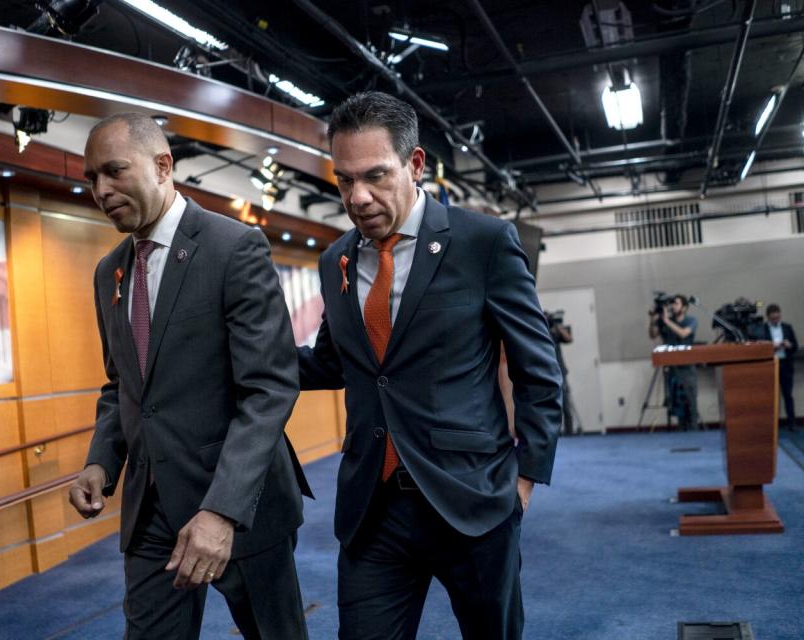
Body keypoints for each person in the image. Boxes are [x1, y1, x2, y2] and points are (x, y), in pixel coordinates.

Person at [297, 91, 563, 640]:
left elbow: (538, 366)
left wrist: (526, 480)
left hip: (473, 498)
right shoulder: (336, 260)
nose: (359, 196)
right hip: (373, 509)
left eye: (375, 175)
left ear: (415, 164)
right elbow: (332, 362)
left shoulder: (483, 242)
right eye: (344, 180)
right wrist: (238, 355)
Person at [68, 113, 312, 640]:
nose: (101, 190)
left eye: (113, 171)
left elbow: (268, 389)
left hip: (239, 501)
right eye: (91, 178)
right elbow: (123, 386)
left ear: (162, 166)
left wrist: (223, 512)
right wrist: (101, 461)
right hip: (150, 508)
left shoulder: (234, 248)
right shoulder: (108, 271)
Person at [648, 294, 699, 430]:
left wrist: (665, 320)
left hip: (687, 368)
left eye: (676, 303)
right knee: (677, 406)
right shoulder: (666, 321)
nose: (673, 306)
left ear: (685, 307)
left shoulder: (691, 320)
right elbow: (653, 334)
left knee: (691, 404)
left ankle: (695, 432)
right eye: (672, 304)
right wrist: (653, 320)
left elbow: (683, 333)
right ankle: (681, 432)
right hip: (671, 369)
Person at [764, 303, 797, 430]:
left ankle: (792, 422)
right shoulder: (763, 329)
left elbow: (795, 345)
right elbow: (759, 347)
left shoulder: (787, 327)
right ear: (768, 318)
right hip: (770, 365)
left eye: (777, 318)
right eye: (773, 319)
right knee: (771, 396)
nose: (775, 320)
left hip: (786, 364)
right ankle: (772, 424)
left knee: (788, 394)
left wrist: (789, 345)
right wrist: (771, 347)